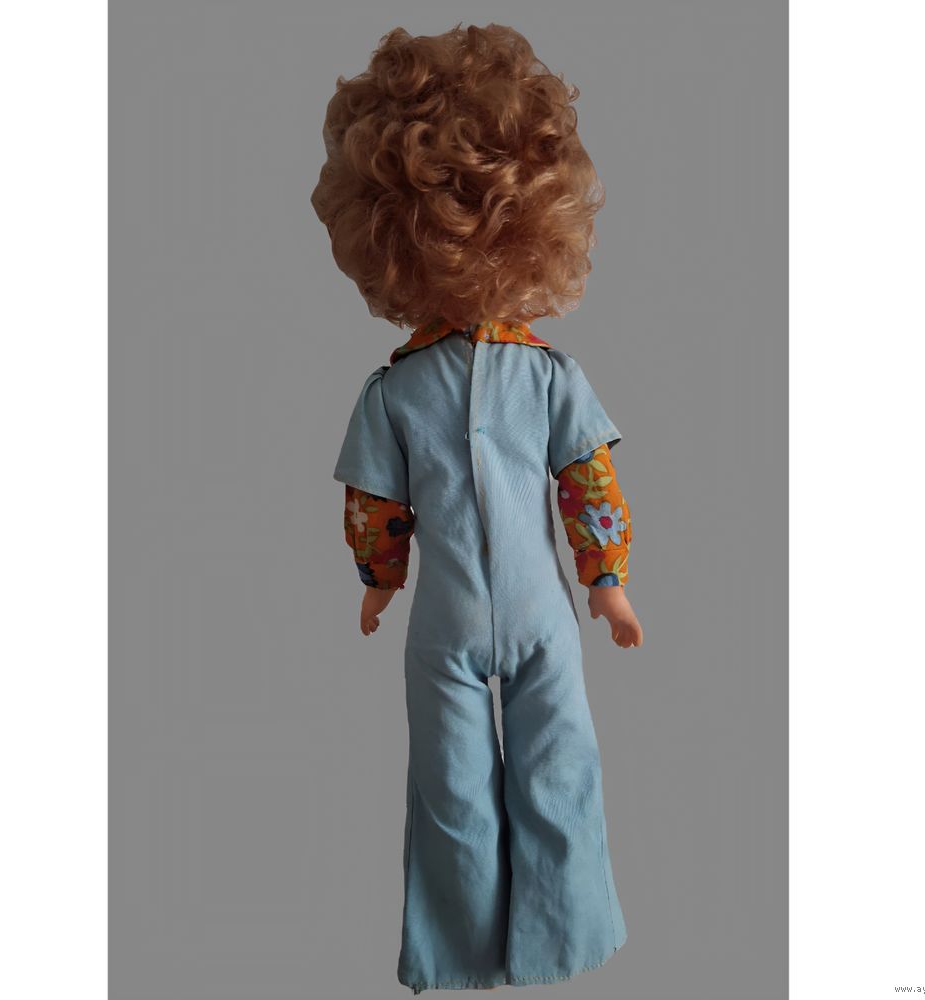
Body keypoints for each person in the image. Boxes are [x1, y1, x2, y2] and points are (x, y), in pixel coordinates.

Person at [312, 23, 643, 993]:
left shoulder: (549, 379)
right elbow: (377, 500)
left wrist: (608, 582)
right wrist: (379, 578)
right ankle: (458, 955)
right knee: (452, 794)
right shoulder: (396, 392)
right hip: (447, 627)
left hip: (541, 620)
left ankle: (563, 940)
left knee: (561, 776)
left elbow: (588, 482)